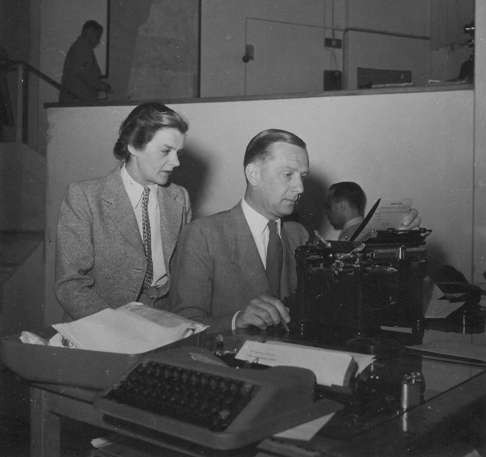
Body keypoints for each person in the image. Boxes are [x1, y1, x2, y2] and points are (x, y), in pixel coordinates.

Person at [55, 102, 191, 320]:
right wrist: (117, 326)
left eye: (178, 152)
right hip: (102, 320)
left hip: (165, 317)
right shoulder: (85, 197)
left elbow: (183, 273)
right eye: (166, 151)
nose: (175, 162)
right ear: (133, 147)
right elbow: (70, 284)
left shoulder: (180, 197)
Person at [170, 129, 310, 333]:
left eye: (302, 176)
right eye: (288, 174)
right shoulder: (203, 235)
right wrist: (236, 321)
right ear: (254, 175)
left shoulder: (299, 235)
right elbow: (184, 323)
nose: (300, 188)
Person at [325, 181, 421, 241]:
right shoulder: (375, 231)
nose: (327, 213)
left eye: (328, 207)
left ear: (342, 206)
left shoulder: (348, 236)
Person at [59, 20, 111, 104]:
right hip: (77, 100)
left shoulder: (80, 46)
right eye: (97, 36)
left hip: (77, 99)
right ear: (89, 32)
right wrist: (101, 86)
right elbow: (85, 74)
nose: (98, 41)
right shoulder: (83, 48)